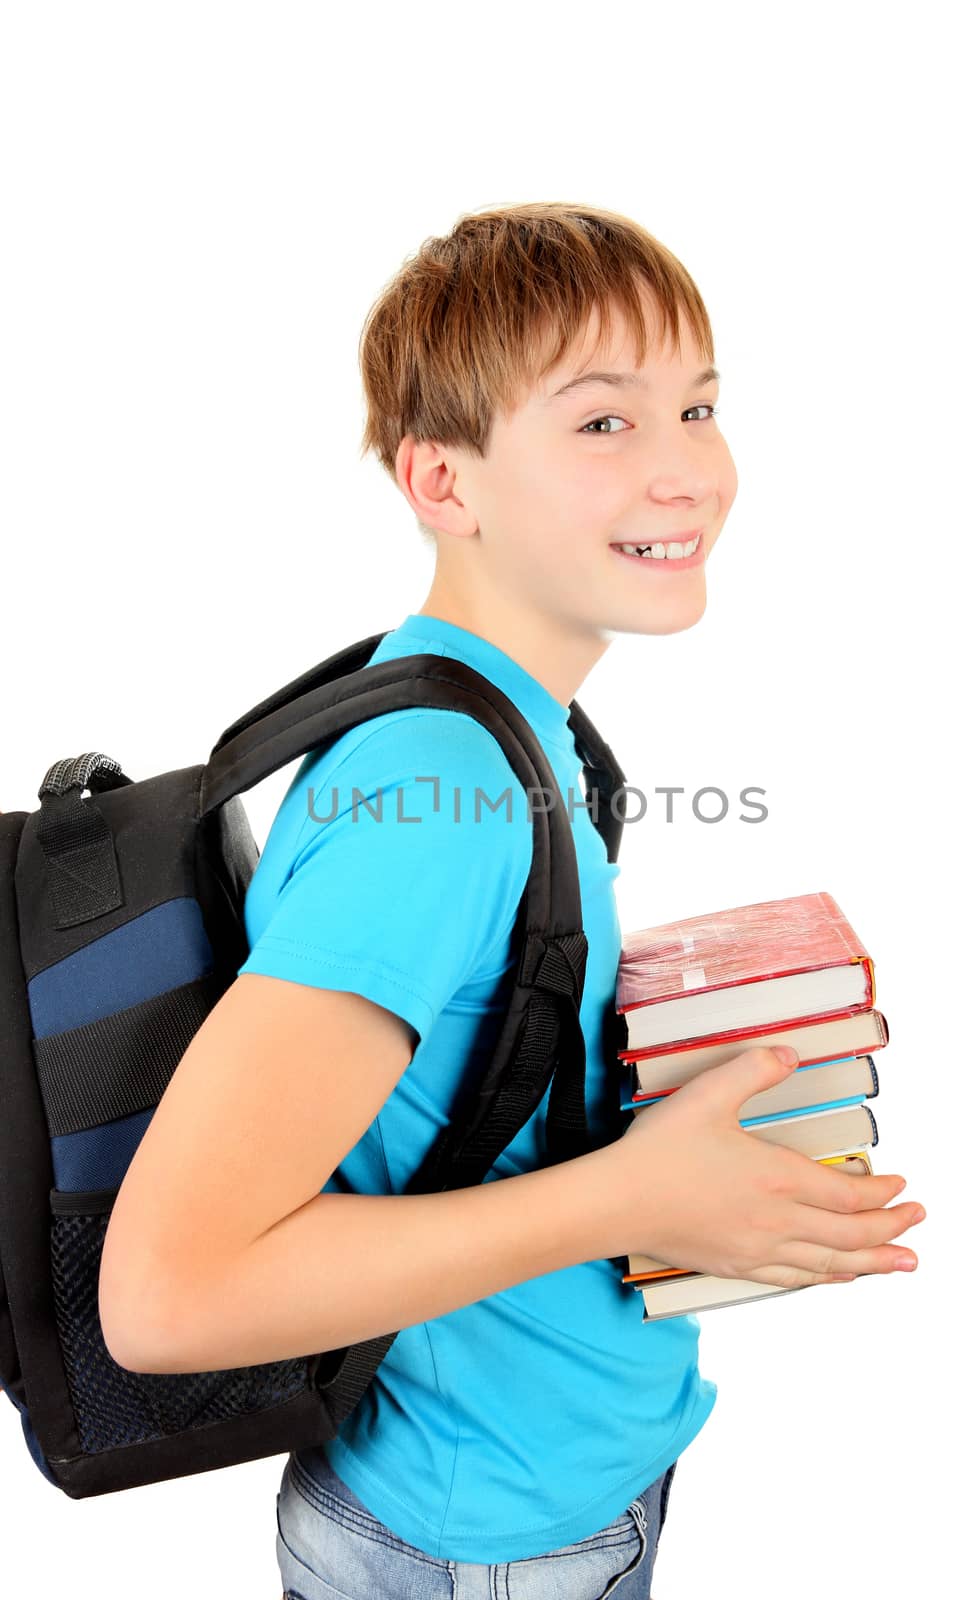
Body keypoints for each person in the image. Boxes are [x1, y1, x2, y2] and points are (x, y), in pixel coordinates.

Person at [96, 202, 925, 1600]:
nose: (690, 475)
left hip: (534, 1495)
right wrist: (637, 1197)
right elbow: (171, 1295)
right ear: (443, 481)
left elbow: (467, 1049)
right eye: (605, 424)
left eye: (700, 406)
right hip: (476, 1543)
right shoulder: (440, 797)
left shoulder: (500, 725)